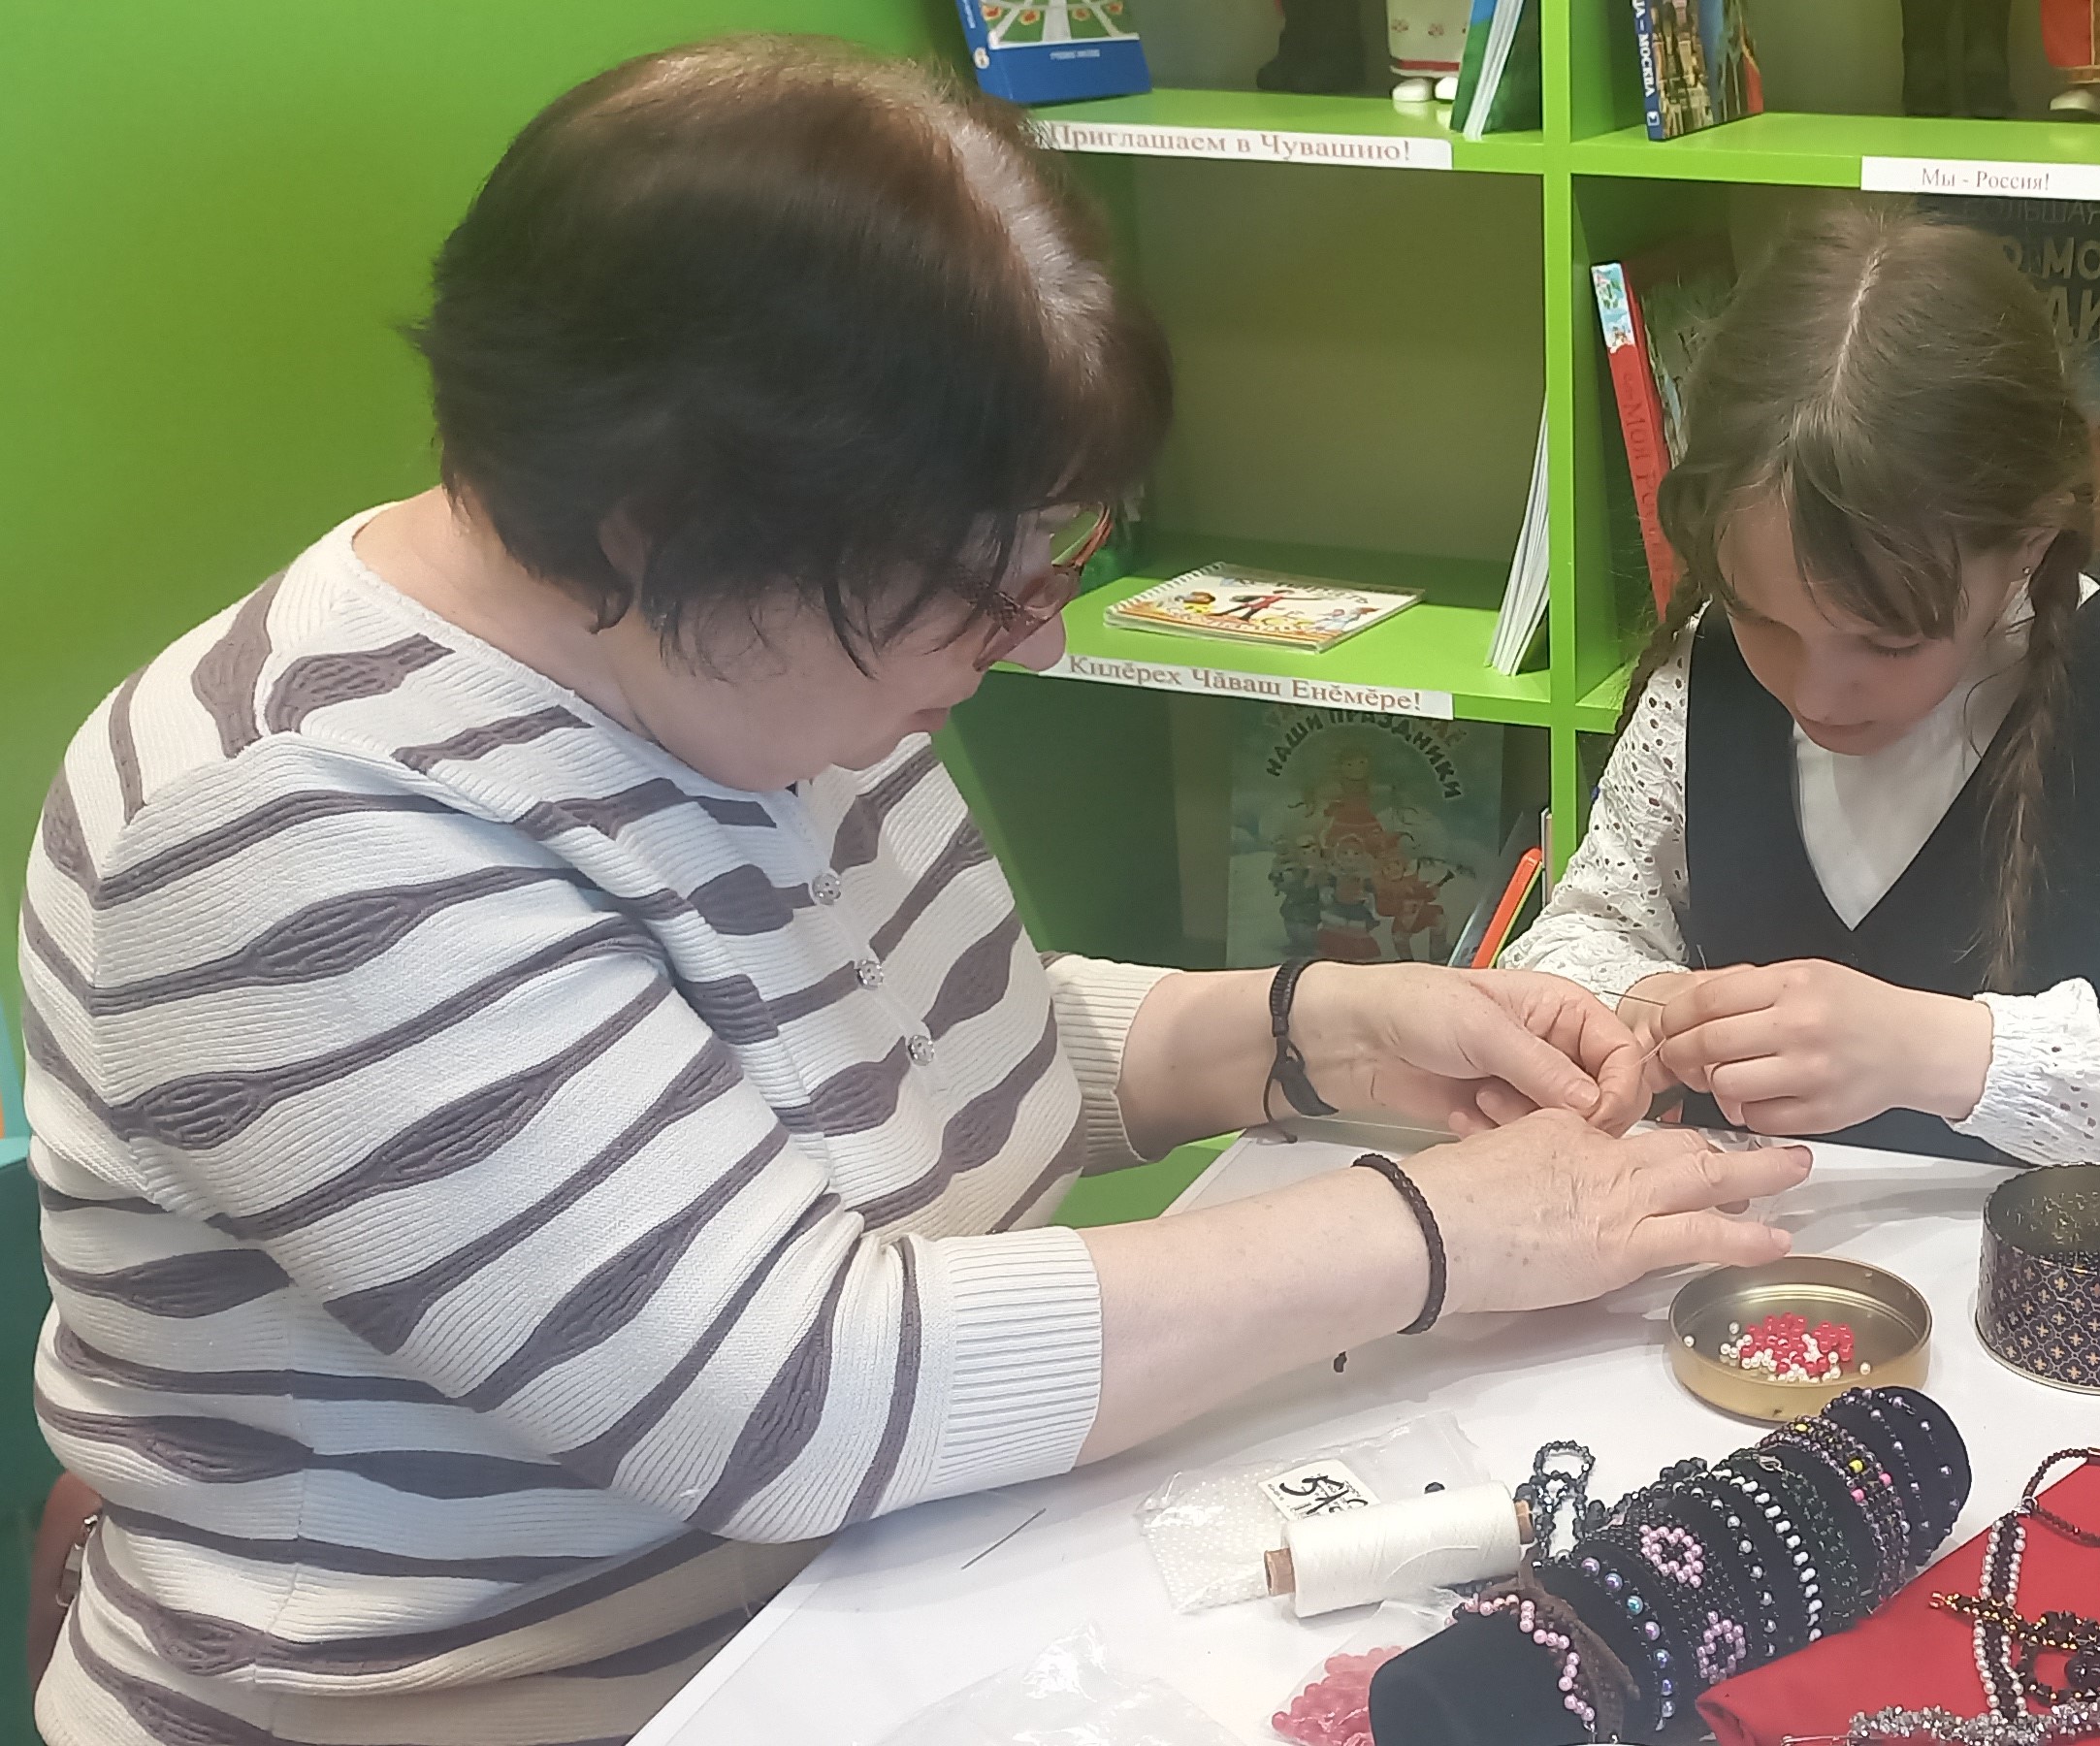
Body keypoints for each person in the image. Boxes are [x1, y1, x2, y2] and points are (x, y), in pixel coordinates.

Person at [13, 39, 1805, 1746]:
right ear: (660, 523)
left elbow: (911, 1057)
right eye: (981, 580)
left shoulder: (749, 658)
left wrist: (1307, 1033)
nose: (1035, 637)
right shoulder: (291, 832)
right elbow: (795, 1390)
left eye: (1053, 558)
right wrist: (1438, 1230)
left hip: (864, 1615)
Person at [1502, 210, 2100, 1202]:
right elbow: (1576, 937)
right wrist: (1646, 1006)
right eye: (1761, 618)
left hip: (2040, 1281)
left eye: (1887, 641)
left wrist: (1938, 1052)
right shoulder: (1707, 673)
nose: (1815, 693)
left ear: (2029, 544)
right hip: (1749, 1262)